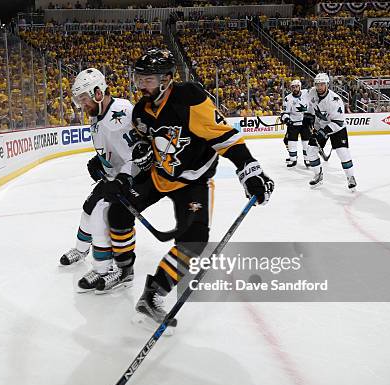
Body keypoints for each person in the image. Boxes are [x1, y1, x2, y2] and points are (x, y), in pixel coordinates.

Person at [106, 49, 274, 327]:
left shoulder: (189, 98)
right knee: (118, 213)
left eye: (148, 79)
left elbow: (223, 136)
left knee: (193, 242)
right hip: (159, 175)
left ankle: (154, 293)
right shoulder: (141, 111)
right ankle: (124, 269)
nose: (141, 85)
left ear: (166, 79)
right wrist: (140, 151)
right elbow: (142, 140)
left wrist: (249, 169)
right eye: (139, 78)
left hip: (193, 181)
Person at [58, 68, 144, 294]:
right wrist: (98, 161)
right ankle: (84, 252)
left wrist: (128, 176)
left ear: (98, 92)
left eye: (83, 99)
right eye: (79, 101)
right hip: (115, 176)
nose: (81, 105)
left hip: (132, 177)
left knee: (102, 215)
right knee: (89, 209)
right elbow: (113, 150)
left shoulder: (124, 110)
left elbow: (141, 150)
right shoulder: (96, 118)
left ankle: (108, 268)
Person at [306, 73, 356, 190]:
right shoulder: (311, 92)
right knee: (310, 151)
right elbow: (309, 106)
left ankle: (350, 177)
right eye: (317, 84)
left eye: (322, 84)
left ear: (327, 84)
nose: (319, 87)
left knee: (342, 152)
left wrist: (323, 133)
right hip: (321, 126)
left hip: (337, 128)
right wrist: (308, 117)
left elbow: (338, 122)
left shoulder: (334, 100)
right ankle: (318, 175)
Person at [281, 79, 312, 168]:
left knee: (306, 143)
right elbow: (284, 112)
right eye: (293, 87)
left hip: (305, 123)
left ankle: (307, 159)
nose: (295, 88)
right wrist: (287, 120)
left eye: (296, 86)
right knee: (291, 142)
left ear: (300, 87)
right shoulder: (288, 98)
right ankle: (293, 159)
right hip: (293, 124)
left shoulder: (306, 93)